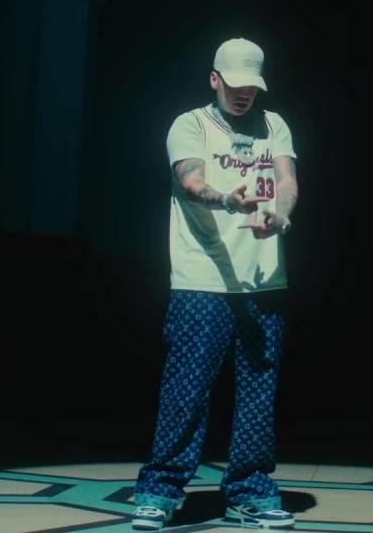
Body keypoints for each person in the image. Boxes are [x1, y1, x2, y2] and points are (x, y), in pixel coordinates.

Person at [131, 38, 300, 531]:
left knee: (258, 392)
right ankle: (160, 490)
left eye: (251, 86)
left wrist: (281, 217)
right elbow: (190, 181)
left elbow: (287, 181)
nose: (244, 94)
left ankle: (250, 491)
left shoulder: (274, 125)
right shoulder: (190, 124)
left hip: (263, 280)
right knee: (187, 389)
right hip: (202, 279)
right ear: (214, 79)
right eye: (234, 84)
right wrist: (227, 200)